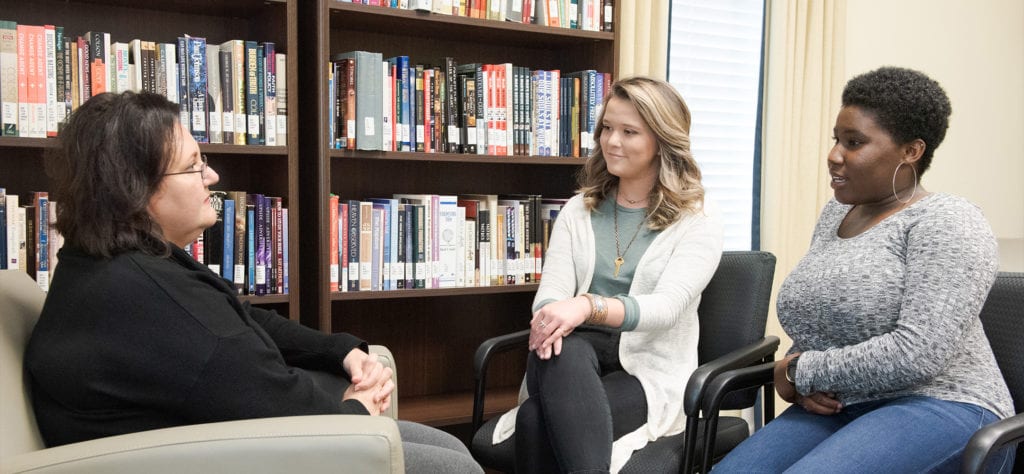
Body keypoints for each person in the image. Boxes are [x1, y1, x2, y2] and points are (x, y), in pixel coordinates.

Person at [25, 91, 482, 473]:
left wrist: (339, 349)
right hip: (218, 455)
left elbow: (238, 320)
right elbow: (263, 391)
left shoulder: (120, 260)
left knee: (448, 449)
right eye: (193, 166)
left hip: (216, 440)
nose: (213, 176)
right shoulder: (144, 294)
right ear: (136, 192)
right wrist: (355, 409)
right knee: (452, 466)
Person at [714, 67, 1015, 473]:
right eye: (837, 139)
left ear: (911, 151)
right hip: (843, 403)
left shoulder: (949, 221)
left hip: (941, 402)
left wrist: (800, 370)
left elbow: (917, 354)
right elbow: (820, 317)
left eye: (854, 142)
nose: (834, 154)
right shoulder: (838, 212)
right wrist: (797, 365)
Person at [487, 76, 724, 473]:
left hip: (646, 371)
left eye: (629, 132)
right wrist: (556, 316)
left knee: (533, 420)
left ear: (662, 140)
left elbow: (665, 308)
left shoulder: (696, 221)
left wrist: (586, 307)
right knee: (566, 347)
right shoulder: (579, 210)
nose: (611, 142)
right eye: (607, 128)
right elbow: (551, 295)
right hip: (565, 357)